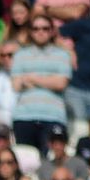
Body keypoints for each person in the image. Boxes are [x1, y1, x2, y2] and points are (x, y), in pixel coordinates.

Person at [9, 14, 72, 154]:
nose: (40, 32)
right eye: (36, 28)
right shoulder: (20, 55)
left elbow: (61, 83)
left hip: (53, 117)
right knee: (25, 161)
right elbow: (16, 85)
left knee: (49, 163)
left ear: (51, 30)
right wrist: (50, 80)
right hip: (24, 117)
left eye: (45, 28)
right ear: (30, 31)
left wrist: (32, 78)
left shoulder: (62, 55)